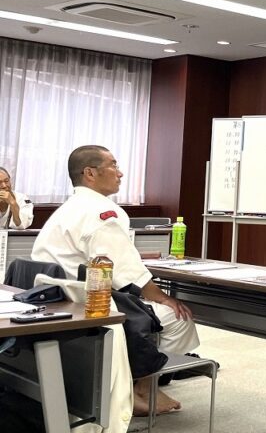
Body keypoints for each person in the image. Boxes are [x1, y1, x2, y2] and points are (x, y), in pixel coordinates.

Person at [32, 145, 200, 415]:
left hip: (55, 297)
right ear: (90, 173)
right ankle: (143, 387)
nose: (120, 173)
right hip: (88, 303)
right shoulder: (102, 212)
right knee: (177, 316)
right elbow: (122, 270)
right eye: (113, 165)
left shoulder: (68, 208)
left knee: (153, 311)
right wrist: (164, 297)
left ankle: (130, 378)